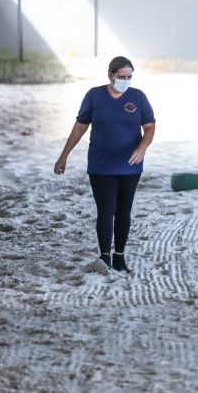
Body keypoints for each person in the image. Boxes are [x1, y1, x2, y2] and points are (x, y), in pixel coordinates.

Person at [54, 56, 156, 273]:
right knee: (106, 209)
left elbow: (149, 126)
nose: (125, 81)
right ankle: (105, 256)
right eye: (121, 77)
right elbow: (80, 127)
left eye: (129, 77)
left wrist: (142, 148)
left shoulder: (138, 97)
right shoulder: (94, 95)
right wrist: (64, 156)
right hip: (101, 165)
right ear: (110, 75)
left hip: (130, 165)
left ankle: (119, 257)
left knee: (123, 210)